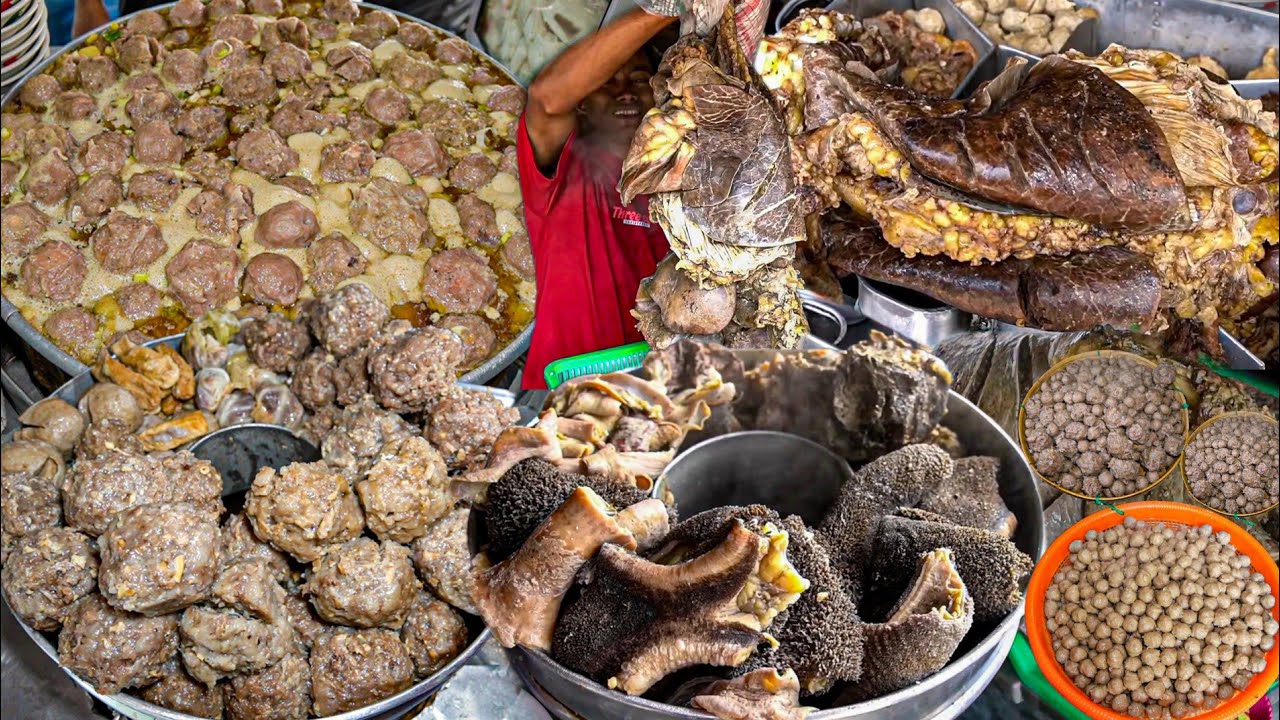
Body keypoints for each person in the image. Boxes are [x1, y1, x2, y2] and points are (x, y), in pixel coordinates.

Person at [517, 9, 679, 389]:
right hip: (565, 391)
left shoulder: (681, 178)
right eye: (607, 81)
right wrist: (662, 9)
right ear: (583, 104)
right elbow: (546, 99)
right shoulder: (563, 167)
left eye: (640, 80)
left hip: (663, 389)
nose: (625, 90)